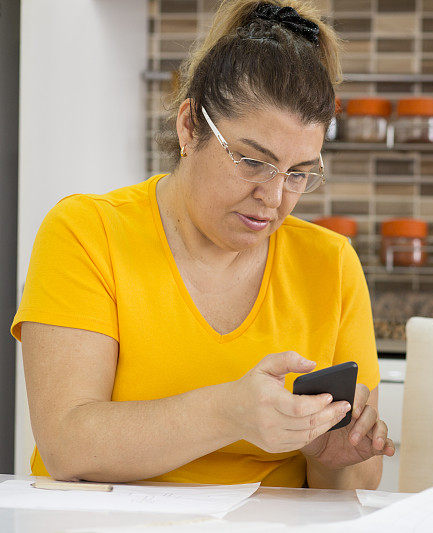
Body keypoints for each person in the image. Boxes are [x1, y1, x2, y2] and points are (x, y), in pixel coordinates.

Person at [11, 0, 394, 489]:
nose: (273, 198)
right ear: (190, 127)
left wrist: (330, 455)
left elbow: (359, 482)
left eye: (299, 174)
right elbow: (66, 445)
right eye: (252, 161)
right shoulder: (88, 232)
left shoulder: (331, 263)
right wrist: (230, 411)